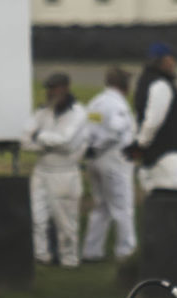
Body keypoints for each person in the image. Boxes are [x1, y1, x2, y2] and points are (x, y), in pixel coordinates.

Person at [21, 73, 88, 268]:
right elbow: (25, 140)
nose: (50, 92)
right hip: (42, 169)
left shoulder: (78, 113)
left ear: (65, 88)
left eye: (54, 88)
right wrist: (47, 143)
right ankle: (41, 256)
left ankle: (69, 259)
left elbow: (66, 141)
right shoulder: (43, 112)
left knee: (65, 221)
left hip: (64, 171)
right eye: (49, 88)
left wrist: (39, 137)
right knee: (37, 216)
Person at [81, 66, 137, 263]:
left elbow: (87, 128)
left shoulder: (96, 102)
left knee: (101, 206)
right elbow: (115, 131)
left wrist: (91, 147)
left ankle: (92, 250)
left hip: (94, 159)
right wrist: (99, 146)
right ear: (124, 84)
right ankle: (126, 252)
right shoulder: (117, 105)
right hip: (113, 158)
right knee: (123, 206)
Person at [127, 42, 177, 194]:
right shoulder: (160, 84)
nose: (173, 62)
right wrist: (141, 143)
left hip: (153, 154)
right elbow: (153, 120)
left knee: (157, 194)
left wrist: (139, 143)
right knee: (173, 195)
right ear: (163, 61)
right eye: (170, 58)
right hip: (166, 153)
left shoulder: (145, 82)